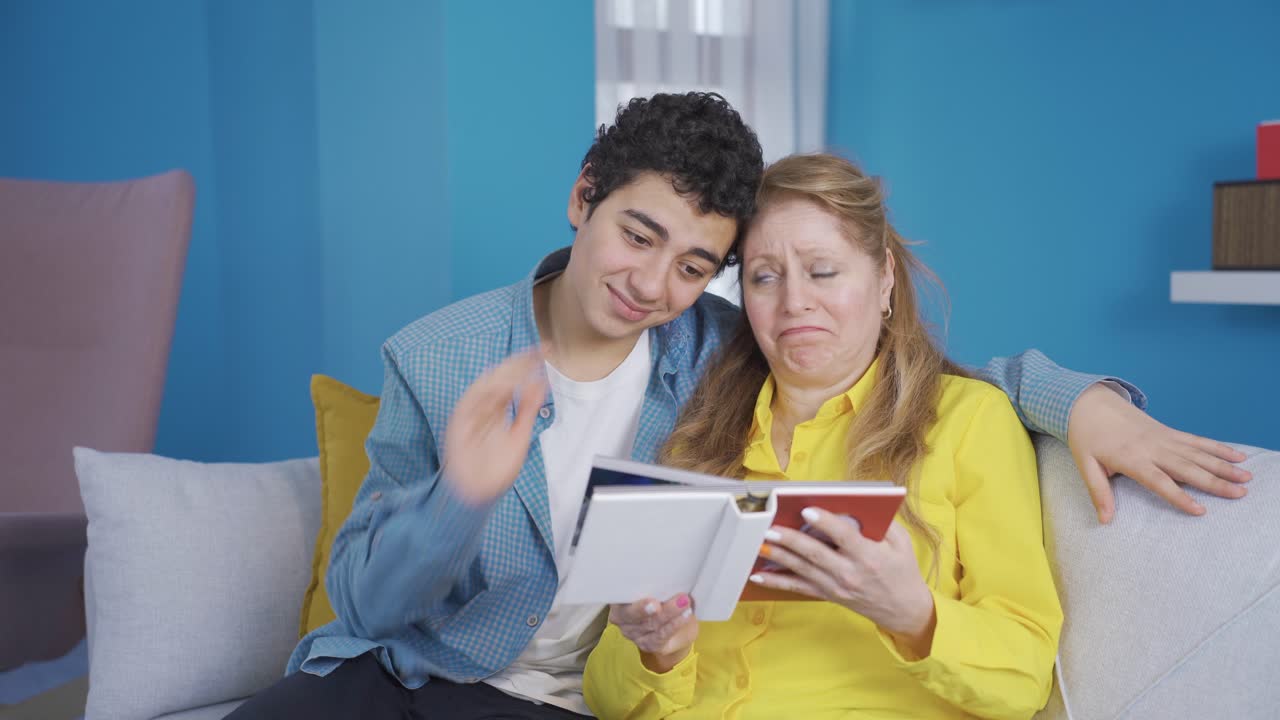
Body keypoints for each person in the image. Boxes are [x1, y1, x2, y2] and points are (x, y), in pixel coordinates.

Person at [227, 93, 1249, 720]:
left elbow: (938, 377)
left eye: (693, 266)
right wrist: (460, 496)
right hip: (410, 673)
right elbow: (369, 604)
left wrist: (1081, 402)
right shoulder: (460, 359)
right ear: (582, 198)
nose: (650, 286)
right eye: (635, 235)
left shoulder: (729, 356)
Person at [584, 152, 1062, 719]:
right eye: (765, 277)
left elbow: (1024, 681)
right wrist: (657, 651)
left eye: (823, 271)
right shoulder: (698, 439)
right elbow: (605, 697)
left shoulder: (970, 421)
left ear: (884, 278)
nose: (794, 302)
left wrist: (912, 614)